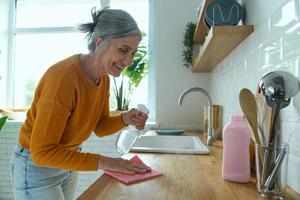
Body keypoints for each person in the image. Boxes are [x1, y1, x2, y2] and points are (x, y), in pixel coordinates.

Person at [10, 7, 151, 200]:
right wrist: (107, 162)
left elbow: (100, 127)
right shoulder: (62, 79)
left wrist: (125, 118)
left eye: (133, 53)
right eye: (123, 50)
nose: (129, 61)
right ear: (99, 41)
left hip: (66, 162)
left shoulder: (103, 79)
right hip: (37, 167)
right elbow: (42, 153)